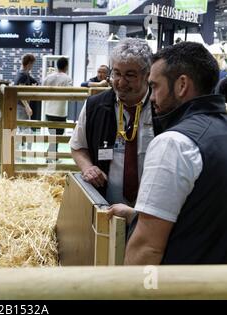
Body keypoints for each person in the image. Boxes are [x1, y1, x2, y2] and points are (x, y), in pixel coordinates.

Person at [108, 42, 227, 264]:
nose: (151, 97)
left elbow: (146, 247)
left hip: (180, 286)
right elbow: (203, 216)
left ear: (182, 85)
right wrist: (137, 215)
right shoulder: (219, 130)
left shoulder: (174, 143)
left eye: (155, 86)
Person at [69, 38, 162, 205]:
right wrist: (88, 168)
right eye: (117, 73)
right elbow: (78, 147)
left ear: (147, 74)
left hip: (153, 209)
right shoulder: (95, 106)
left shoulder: (162, 107)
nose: (120, 82)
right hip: (105, 205)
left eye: (130, 75)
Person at [42, 57, 73, 160]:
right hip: (60, 111)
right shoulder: (67, 78)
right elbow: (70, 93)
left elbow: (42, 89)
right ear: (66, 66)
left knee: (53, 135)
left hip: (49, 110)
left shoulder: (49, 77)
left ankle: (53, 155)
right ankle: (50, 156)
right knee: (57, 136)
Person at [14, 53, 38, 150]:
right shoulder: (22, 75)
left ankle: (20, 151)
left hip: (20, 106)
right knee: (24, 130)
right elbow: (20, 93)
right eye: (32, 64)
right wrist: (27, 106)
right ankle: (19, 151)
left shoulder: (24, 74)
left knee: (23, 129)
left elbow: (34, 82)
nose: (32, 66)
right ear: (29, 63)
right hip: (21, 106)